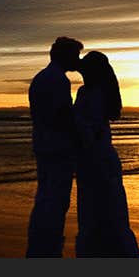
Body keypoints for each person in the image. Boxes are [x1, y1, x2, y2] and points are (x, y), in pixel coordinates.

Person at [73, 51, 139, 257]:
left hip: (94, 159)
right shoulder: (103, 92)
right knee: (112, 212)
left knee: (95, 211)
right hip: (102, 157)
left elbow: (87, 128)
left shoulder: (89, 93)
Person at [26, 36, 83, 257]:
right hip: (57, 147)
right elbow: (62, 116)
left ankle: (41, 244)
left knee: (46, 196)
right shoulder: (57, 80)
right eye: (74, 56)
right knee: (55, 199)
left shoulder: (41, 77)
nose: (77, 61)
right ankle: (47, 246)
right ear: (65, 56)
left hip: (44, 143)